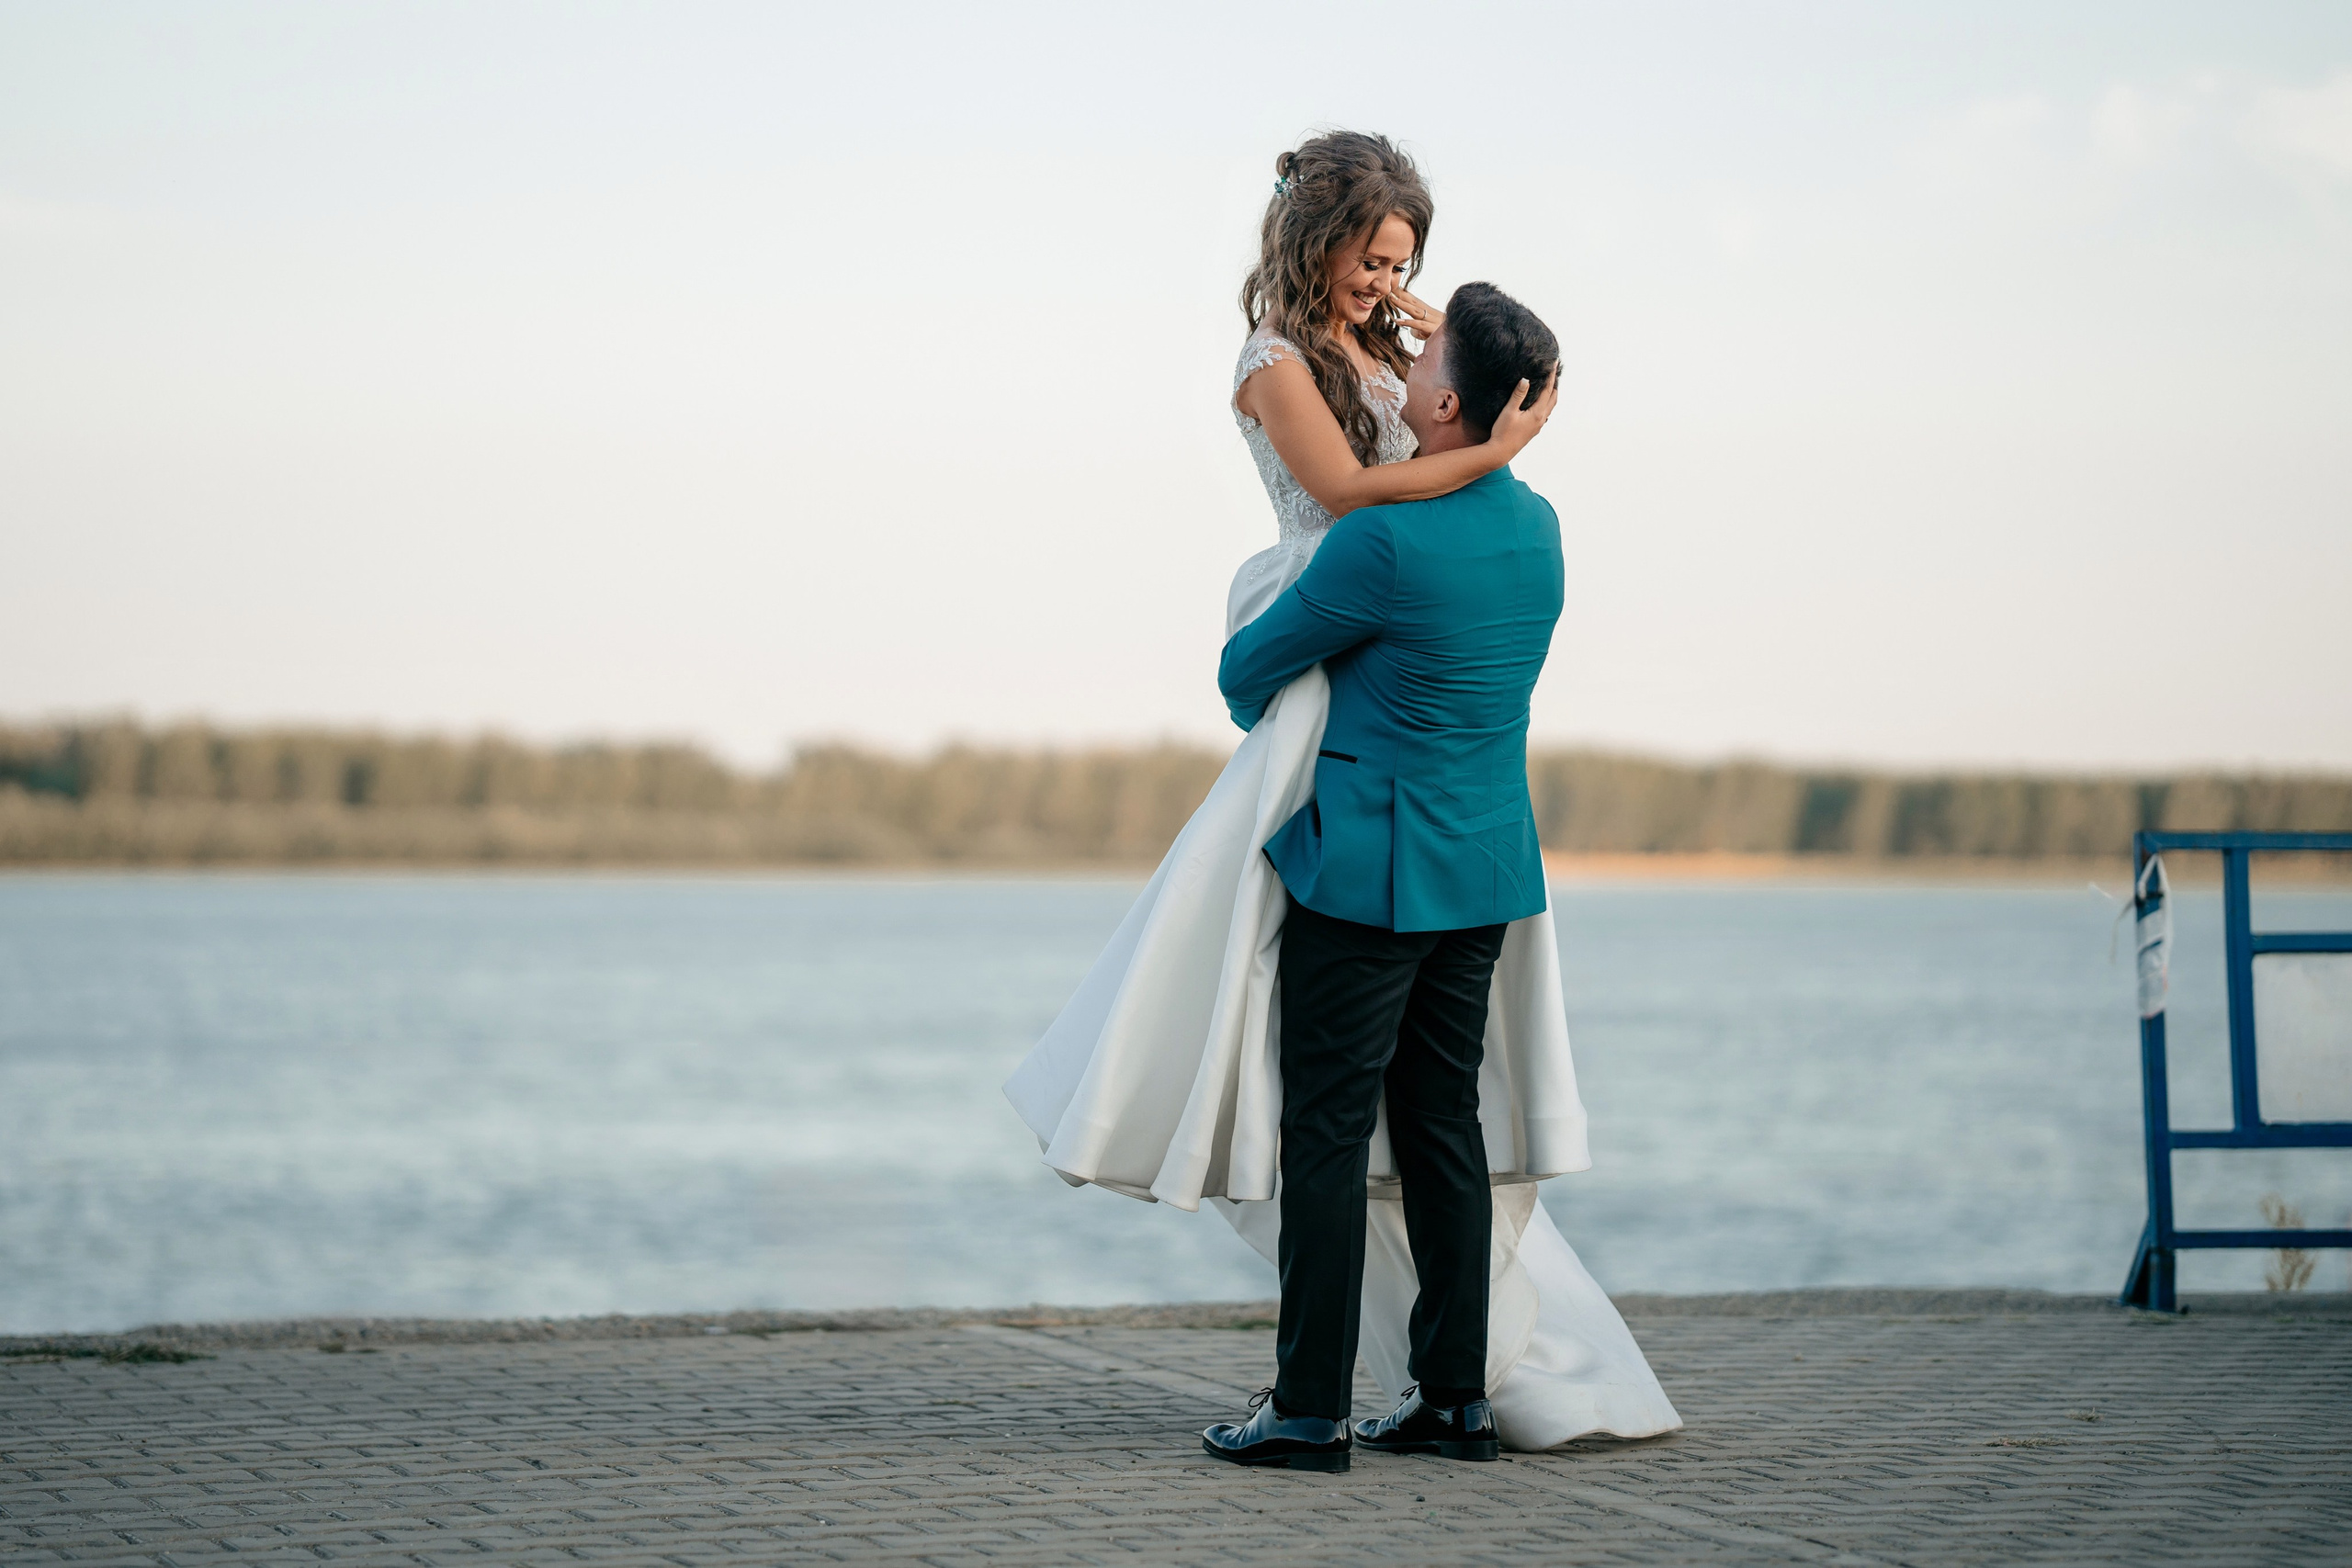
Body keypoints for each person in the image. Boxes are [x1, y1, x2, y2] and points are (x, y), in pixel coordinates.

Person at [1001, 131, 1679, 1469]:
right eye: (1378, 268)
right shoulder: (1531, 522)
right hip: (1485, 848)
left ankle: (1309, 1406)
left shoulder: (1383, 528)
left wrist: (1435, 383)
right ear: (1321, 248)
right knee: (1443, 1127)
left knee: (1324, 1123)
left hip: (1367, 839)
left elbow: (1254, 663)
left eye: (1411, 283)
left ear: (1441, 402)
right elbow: (1405, 453)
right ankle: (1455, 1397)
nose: (1396, 304)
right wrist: (1490, 410)